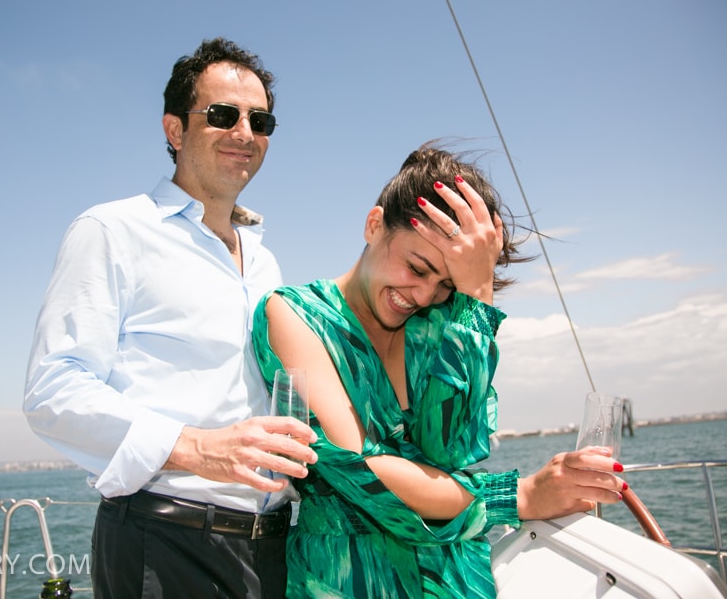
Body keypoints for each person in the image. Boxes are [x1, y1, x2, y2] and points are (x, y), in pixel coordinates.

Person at [252, 142, 627, 598]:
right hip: (348, 580)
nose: (425, 295)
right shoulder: (294, 314)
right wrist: (520, 495)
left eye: (447, 284)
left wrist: (477, 296)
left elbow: (448, 449)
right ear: (374, 225)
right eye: (417, 267)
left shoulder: (442, 325)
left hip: (455, 579)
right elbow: (362, 471)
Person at [24, 37, 316, 599]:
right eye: (223, 115)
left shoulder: (265, 261)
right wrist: (198, 448)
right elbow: (53, 390)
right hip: (165, 543)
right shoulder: (113, 230)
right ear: (175, 130)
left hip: (274, 547)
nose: (245, 133)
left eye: (260, 122)